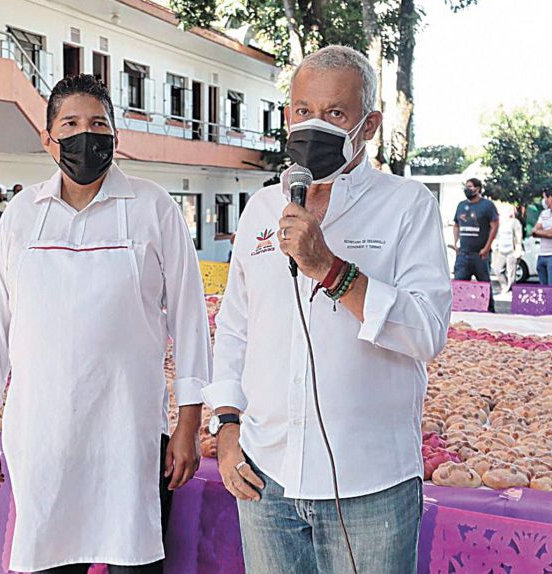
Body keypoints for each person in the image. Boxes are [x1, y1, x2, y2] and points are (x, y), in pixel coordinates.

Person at [202, 46, 451, 574]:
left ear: (369, 125)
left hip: (370, 486)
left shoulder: (407, 206)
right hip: (266, 476)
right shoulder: (262, 207)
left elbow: (427, 333)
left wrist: (331, 270)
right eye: (303, 110)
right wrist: (226, 424)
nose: (313, 126)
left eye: (335, 113)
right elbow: (236, 329)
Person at [0, 74, 212, 574]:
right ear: (47, 138)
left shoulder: (153, 207)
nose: (85, 135)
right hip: (42, 430)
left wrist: (187, 423)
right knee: (49, 557)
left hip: (127, 430)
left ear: (116, 134)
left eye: (98, 124)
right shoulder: (22, 214)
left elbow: (190, 317)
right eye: (71, 124)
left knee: (132, 557)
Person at [453, 177, 499, 311]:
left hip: (480, 254)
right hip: (463, 254)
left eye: (470, 186)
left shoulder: (487, 206)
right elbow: (456, 225)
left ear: (478, 189)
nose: (467, 189)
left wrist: (487, 248)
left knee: (484, 284)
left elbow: (495, 226)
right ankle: (458, 310)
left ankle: (490, 311)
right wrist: (455, 243)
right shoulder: (461, 205)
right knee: (459, 285)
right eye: (466, 186)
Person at [492, 205, 524, 294]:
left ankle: (510, 289)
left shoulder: (515, 222)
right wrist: (495, 244)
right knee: (497, 269)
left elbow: (518, 235)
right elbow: (497, 235)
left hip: (511, 250)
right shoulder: (500, 222)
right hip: (501, 250)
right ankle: (504, 285)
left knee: (511, 272)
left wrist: (518, 248)